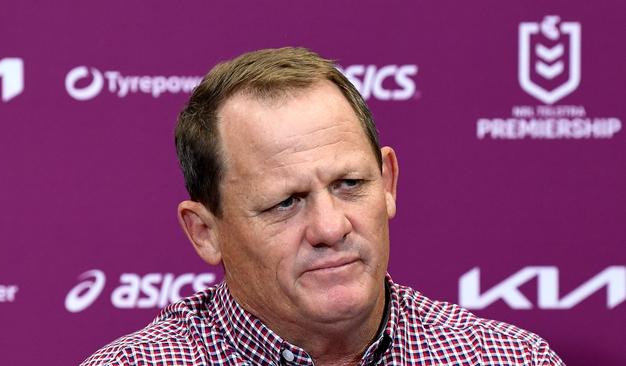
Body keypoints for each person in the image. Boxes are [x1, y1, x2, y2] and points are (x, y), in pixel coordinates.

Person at [81, 47, 564, 366]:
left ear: (389, 182)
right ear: (205, 232)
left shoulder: (506, 357)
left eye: (350, 183)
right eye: (285, 203)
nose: (331, 228)